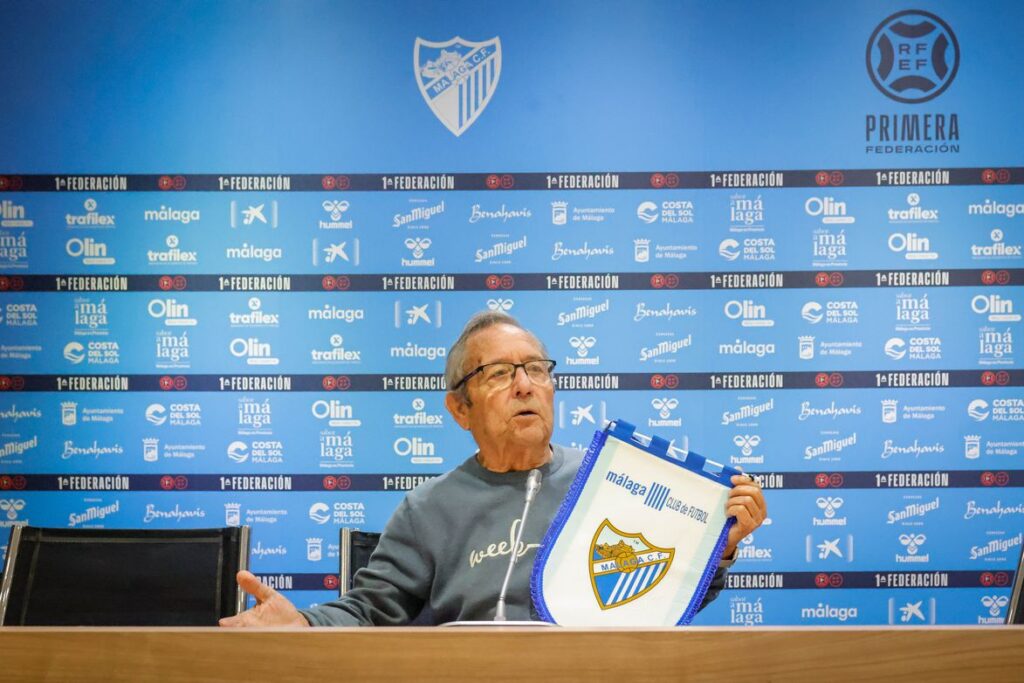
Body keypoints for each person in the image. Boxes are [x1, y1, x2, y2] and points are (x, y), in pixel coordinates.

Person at [220, 311, 767, 627]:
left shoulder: (611, 480)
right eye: (499, 373)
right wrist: (304, 623)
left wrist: (717, 547)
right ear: (460, 408)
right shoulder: (428, 508)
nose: (525, 384)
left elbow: (662, 589)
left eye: (535, 368)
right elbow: (369, 610)